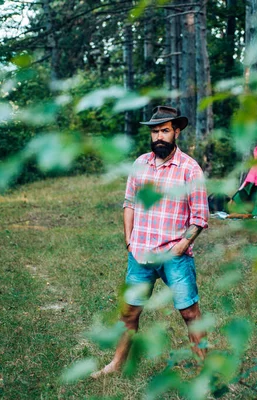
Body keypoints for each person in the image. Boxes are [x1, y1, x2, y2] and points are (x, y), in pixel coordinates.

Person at [92, 106, 209, 378]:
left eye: (165, 130)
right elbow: (129, 203)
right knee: (129, 314)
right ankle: (116, 365)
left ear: (176, 132)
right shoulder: (140, 164)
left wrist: (179, 247)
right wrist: (129, 241)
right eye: (155, 131)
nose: (159, 136)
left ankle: (205, 371)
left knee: (190, 313)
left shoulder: (189, 169)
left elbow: (200, 217)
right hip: (140, 255)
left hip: (174, 256)